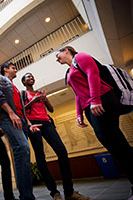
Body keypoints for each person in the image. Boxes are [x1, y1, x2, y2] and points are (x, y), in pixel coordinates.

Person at [56, 46, 133, 200]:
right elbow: (77, 94)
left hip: (102, 99)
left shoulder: (81, 57)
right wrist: (79, 114)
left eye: (57, 55)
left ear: (66, 51)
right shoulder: (68, 71)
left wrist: (95, 99)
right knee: (114, 143)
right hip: (90, 107)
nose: (56, 59)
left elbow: (93, 74)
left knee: (116, 143)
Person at [21, 72, 91, 200]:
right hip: (33, 125)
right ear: (24, 82)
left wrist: (45, 99)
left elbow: (51, 109)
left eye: (32, 76)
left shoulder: (39, 93)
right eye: (27, 77)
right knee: (40, 157)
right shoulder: (24, 94)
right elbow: (22, 110)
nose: (31, 78)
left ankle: (69, 191)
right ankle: (54, 192)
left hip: (47, 123)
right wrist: (33, 101)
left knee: (62, 151)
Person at [0, 62, 42, 200]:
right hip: (9, 118)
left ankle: (27, 195)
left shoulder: (16, 88)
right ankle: (26, 197)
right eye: (13, 67)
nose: (16, 69)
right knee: (22, 148)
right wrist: (11, 113)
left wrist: (28, 124)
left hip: (21, 121)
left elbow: (22, 110)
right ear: (5, 69)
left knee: (24, 153)